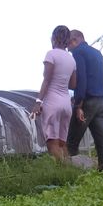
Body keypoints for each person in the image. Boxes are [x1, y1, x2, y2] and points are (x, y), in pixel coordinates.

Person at [31, 25, 77, 162]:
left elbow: (47, 79)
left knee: (52, 142)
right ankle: (70, 172)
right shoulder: (71, 59)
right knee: (62, 143)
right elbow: (73, 85)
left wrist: (38, 102)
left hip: (52, 102)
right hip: (66, 103)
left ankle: (62, 174)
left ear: (54, 38)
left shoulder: (51, 54)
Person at [66, 29, 103, 169]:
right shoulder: (97, 53)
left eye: (68, 44)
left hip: (87, 102)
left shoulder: (78, 52)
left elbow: (81, 80)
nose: (68, 48)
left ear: (75, 40)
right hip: (100, 101)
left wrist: (78, 104)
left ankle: (70, 173)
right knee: (100, 139)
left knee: (72, 141)